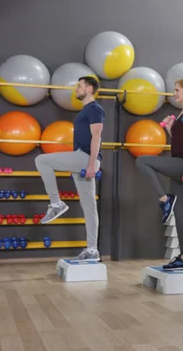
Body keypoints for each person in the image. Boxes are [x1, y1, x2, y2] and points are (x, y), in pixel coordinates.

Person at [135, 79, 183, 269]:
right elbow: (180, 142)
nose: (174, 94)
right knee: (179, 212)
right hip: (179, 163)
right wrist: (170, 129)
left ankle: (164, 199)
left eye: (177, 90)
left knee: (142, 160)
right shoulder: (182, 113)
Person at [35, 76, 105, 261]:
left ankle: (56, 204)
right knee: (90, 208)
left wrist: (91, 164)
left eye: (79, 86)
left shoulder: (95, 109)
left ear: (89, 89)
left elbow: (96, 136)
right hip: (84, 159)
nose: (76, 89)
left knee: (42, 160)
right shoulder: (86, 110)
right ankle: (92, 251)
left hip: (85, 159)